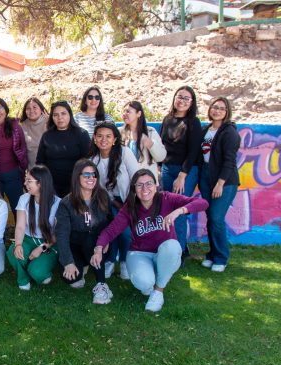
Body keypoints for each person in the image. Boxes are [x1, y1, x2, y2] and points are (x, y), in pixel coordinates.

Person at [95, 169, 208, 312]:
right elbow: (111, 230)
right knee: (144, 283)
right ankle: (152, 283)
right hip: (140, 253)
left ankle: (158, 291)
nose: (145, 188)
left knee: (172, 246)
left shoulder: (166, 198)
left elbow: (202, 202)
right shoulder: (130, 208)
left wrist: (179, 211)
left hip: (164, 253)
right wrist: (99, 248)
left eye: (149, 184)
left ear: (156, 186)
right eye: (139, 185)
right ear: (134, 189)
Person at [55, 159, 113, 304]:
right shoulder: (66, 203)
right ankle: (83, 265)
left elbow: (111, 223)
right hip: (75, 245)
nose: (91, 178)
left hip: (97, 245)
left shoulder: (102, 196)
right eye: (86, 175)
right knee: (72, 279)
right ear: (77, 177)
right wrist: (68, 262)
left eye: (94, 175)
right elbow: (62, 234)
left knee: (89, 239)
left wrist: (105, 241)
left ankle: (101, 286)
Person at [89, 121, 139, 280]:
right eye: (100, 136)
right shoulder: (93, 159)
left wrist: (134, 202)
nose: (104, 140)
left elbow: (137, 177)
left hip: (127, 200)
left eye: (108, 136)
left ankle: (124, 261)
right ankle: (110, 260)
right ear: (95, 139)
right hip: (104, 203)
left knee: (125, 233)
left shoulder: (124, 153)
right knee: (108, 230)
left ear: (115, 139)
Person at [159, 85, 203, 262]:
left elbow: (193, 151)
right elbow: (161, 147)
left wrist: (182, 175)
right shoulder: (167, 119)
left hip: (185, 171)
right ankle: (168, 246)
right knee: (166, 209)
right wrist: (159, 169)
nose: (182, 101)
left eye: (186, 98)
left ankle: (180, 251)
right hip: (167, 169)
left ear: (191, 102)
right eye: (180, 97)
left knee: (178, 210)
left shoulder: (193, 122)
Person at [199, 97, 240, 272]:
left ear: (227, 112)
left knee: (216, 218)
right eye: (214, 107)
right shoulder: (206, 129)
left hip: (225, 180)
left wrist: (220, 183)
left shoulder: (229, 132)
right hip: (207, 176)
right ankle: (212, 254)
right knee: (211, 218)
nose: (217, 111)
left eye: (221, 109)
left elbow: (230, 161)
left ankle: (221, 258)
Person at [7, 165, 61, 290]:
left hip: (49, 243)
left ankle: (33, 268)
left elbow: (57, 234)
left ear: (41, 183)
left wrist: (41, 248)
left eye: (29, 181)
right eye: (26, 180)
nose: (25, 183)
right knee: (13, 251)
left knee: (38, 273)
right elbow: (20, 226)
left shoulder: (58, 203)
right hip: (28, 239)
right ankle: (23, 278)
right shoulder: (24, 199)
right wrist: (19, 244)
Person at [36, 100, 90, 197]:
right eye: (55, 115)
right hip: (51, 186)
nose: (60, 118)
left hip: (75, 185)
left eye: (63, 113)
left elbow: (87, 162)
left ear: (70, 114)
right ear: (52, 117)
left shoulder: (81, 134)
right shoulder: (47, 136)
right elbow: (40, 162)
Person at [119, 101, 166, 179]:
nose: (124, 114)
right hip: (125, 180)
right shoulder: (119, 132)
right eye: (123, 111)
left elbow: (161, 157)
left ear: (139, 114)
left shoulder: (150, 132)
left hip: (146, 182)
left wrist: (151, 144)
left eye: (128, 111)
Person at [19, 97, 48, 168]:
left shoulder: (49, 121)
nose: (31, 110)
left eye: (34, 107)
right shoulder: (22, 125)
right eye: (28, 108)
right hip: (32, 167)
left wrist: (50, 123)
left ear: (41, 109)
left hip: (49, 166)